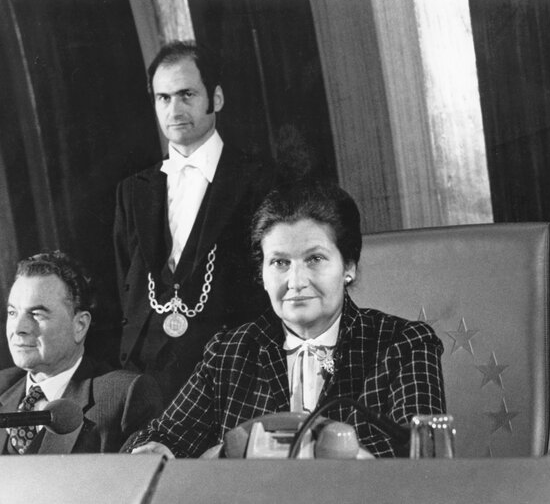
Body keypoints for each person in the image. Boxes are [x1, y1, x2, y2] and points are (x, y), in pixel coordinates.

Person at [127, 181, 446, 458]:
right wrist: (156, 451)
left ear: (348, 266)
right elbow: (160, 438)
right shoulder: (229, 352)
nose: (295, 280)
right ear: (262, 275)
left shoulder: (404, 344)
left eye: (315, 259)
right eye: (280, 262)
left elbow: (424, 458)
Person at [114, 40, 275, 404]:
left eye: (187, 94)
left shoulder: (261, 181)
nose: (175, 108)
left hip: (229, 374)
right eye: (163, 97)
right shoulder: (131, 190)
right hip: (143, 381)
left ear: (215, 99)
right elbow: (125, 286)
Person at [0, 251, 162, 455]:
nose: (18, 328)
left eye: (36, 314)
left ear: (79, 325)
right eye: (13, 313)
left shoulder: (124, 396)